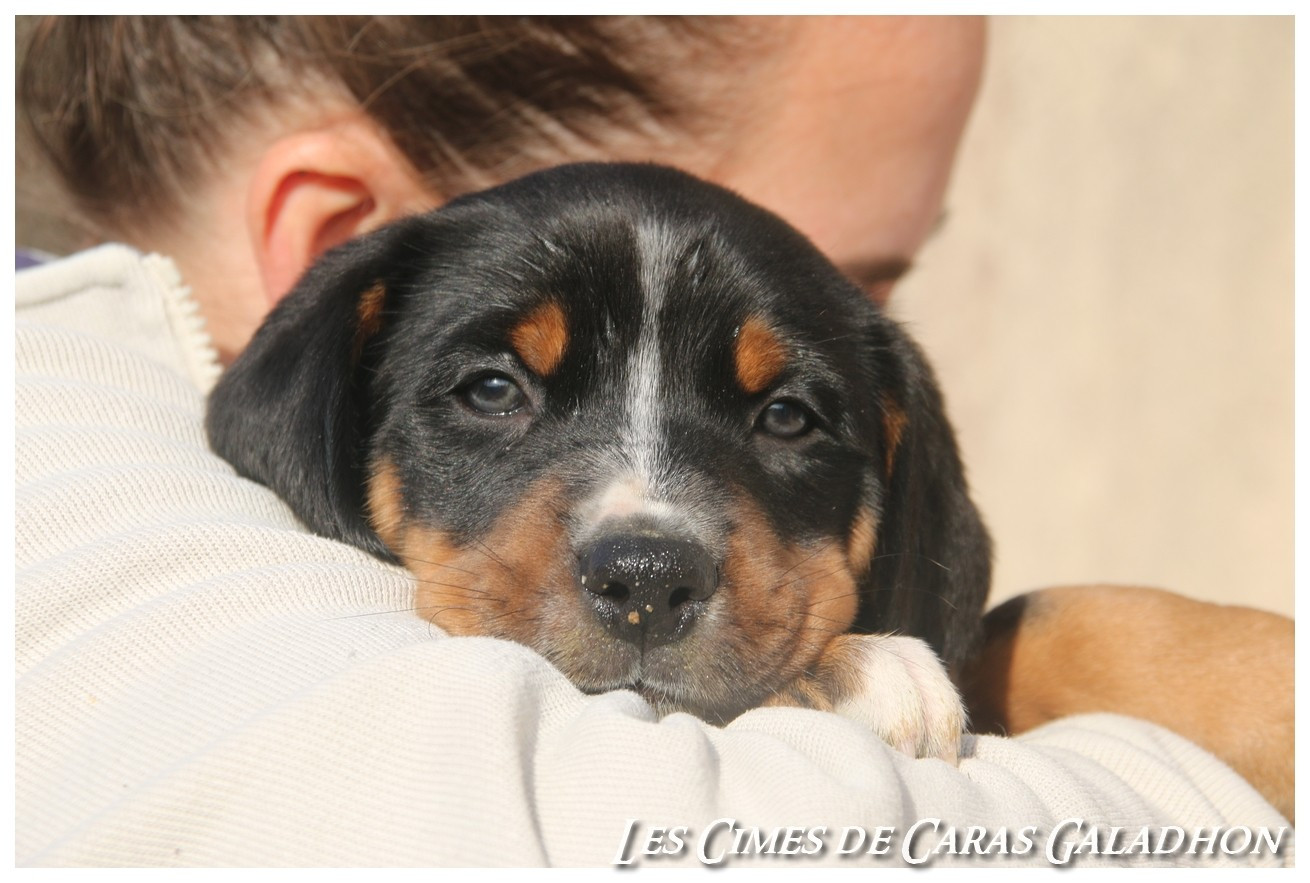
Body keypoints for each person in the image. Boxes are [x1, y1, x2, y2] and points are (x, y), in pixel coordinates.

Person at [16, 16, 1291, 866]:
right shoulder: (79, 512)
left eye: (787, 410)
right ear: (339, 260)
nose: (648, 529)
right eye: (494, 391)